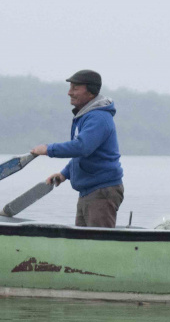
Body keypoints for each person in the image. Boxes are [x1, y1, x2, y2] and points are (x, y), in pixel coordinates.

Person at [30, 70, 124, 227]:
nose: (69, 93)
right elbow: (86, 153)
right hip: (90, 190)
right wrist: (65, 174)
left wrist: (48, 149)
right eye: (70, 88)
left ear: (91, 91)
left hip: (102, 190)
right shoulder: (87, 115)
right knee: (83, 241)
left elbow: (82, 147)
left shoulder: (98, 117)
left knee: (99, 244)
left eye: (75, 88)